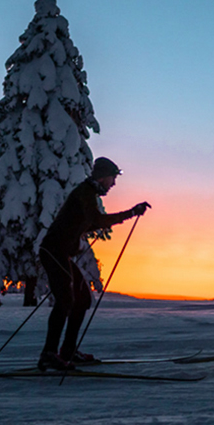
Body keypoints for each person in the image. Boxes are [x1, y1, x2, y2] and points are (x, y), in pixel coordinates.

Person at [36, 157, 150, 371]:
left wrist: (88, 228)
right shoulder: (85, 193)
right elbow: (98, 220)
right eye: (112, 178)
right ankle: (49, 354)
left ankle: (67, 352)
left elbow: (85, 222)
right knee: (66, 300)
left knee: (82, 299)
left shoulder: (88, 193)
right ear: (103, 176)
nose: (113, 184)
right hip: (53, 252)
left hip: (61, 254)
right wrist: (131, 213)